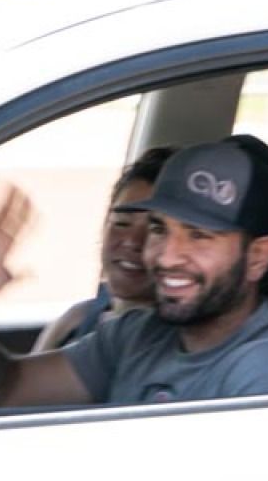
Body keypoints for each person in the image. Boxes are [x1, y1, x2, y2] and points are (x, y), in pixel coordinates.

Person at [0, 139, 268, 408]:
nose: (166, 256)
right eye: (160, 229)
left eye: (199, 236)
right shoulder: (138, 334)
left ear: (258, 257)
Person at [30, 147, 176, 352]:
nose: (132, 241)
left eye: (155, 230)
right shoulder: (76, 320)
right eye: (121, 223)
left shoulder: (181, 345)